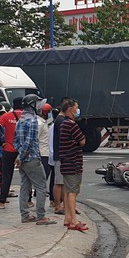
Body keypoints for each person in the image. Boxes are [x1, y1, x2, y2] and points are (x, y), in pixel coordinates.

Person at [14, 94, 56, 225]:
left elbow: (15, 141)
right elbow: (29, 141)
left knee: (25, 186)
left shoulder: (20, 120)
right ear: (33, 105)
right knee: (41, 186)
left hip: (23, 159)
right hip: (32, 158)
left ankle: (25, 215)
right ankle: (41, 216)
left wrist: (19, 156)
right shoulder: (32, 121)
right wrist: (21, 156)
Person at [58, 98, 88, 232]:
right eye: (76, 108)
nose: (78, 110)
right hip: (73, 163)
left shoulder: (63, 124)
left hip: (66, 162)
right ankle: (74, 221)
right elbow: (82, 141)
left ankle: (67, 218)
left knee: (67, 190)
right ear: (70, 109)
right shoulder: (71, 125)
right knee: (72, 192)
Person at [0, 97, 22, 208]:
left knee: (6, 176)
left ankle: (2, 201)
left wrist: (1, 143)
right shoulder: (27, 117)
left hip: (8, 149)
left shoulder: (6, 116)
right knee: (26, 177)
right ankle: (28, 200)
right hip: (22, 150)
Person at [49, 98, 71, 214]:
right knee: (58, 182)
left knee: (62, 182)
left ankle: (64, 205)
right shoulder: (60, 121)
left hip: (61, 155)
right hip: (60, 156)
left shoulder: (60, 120)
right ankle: (58, 205)